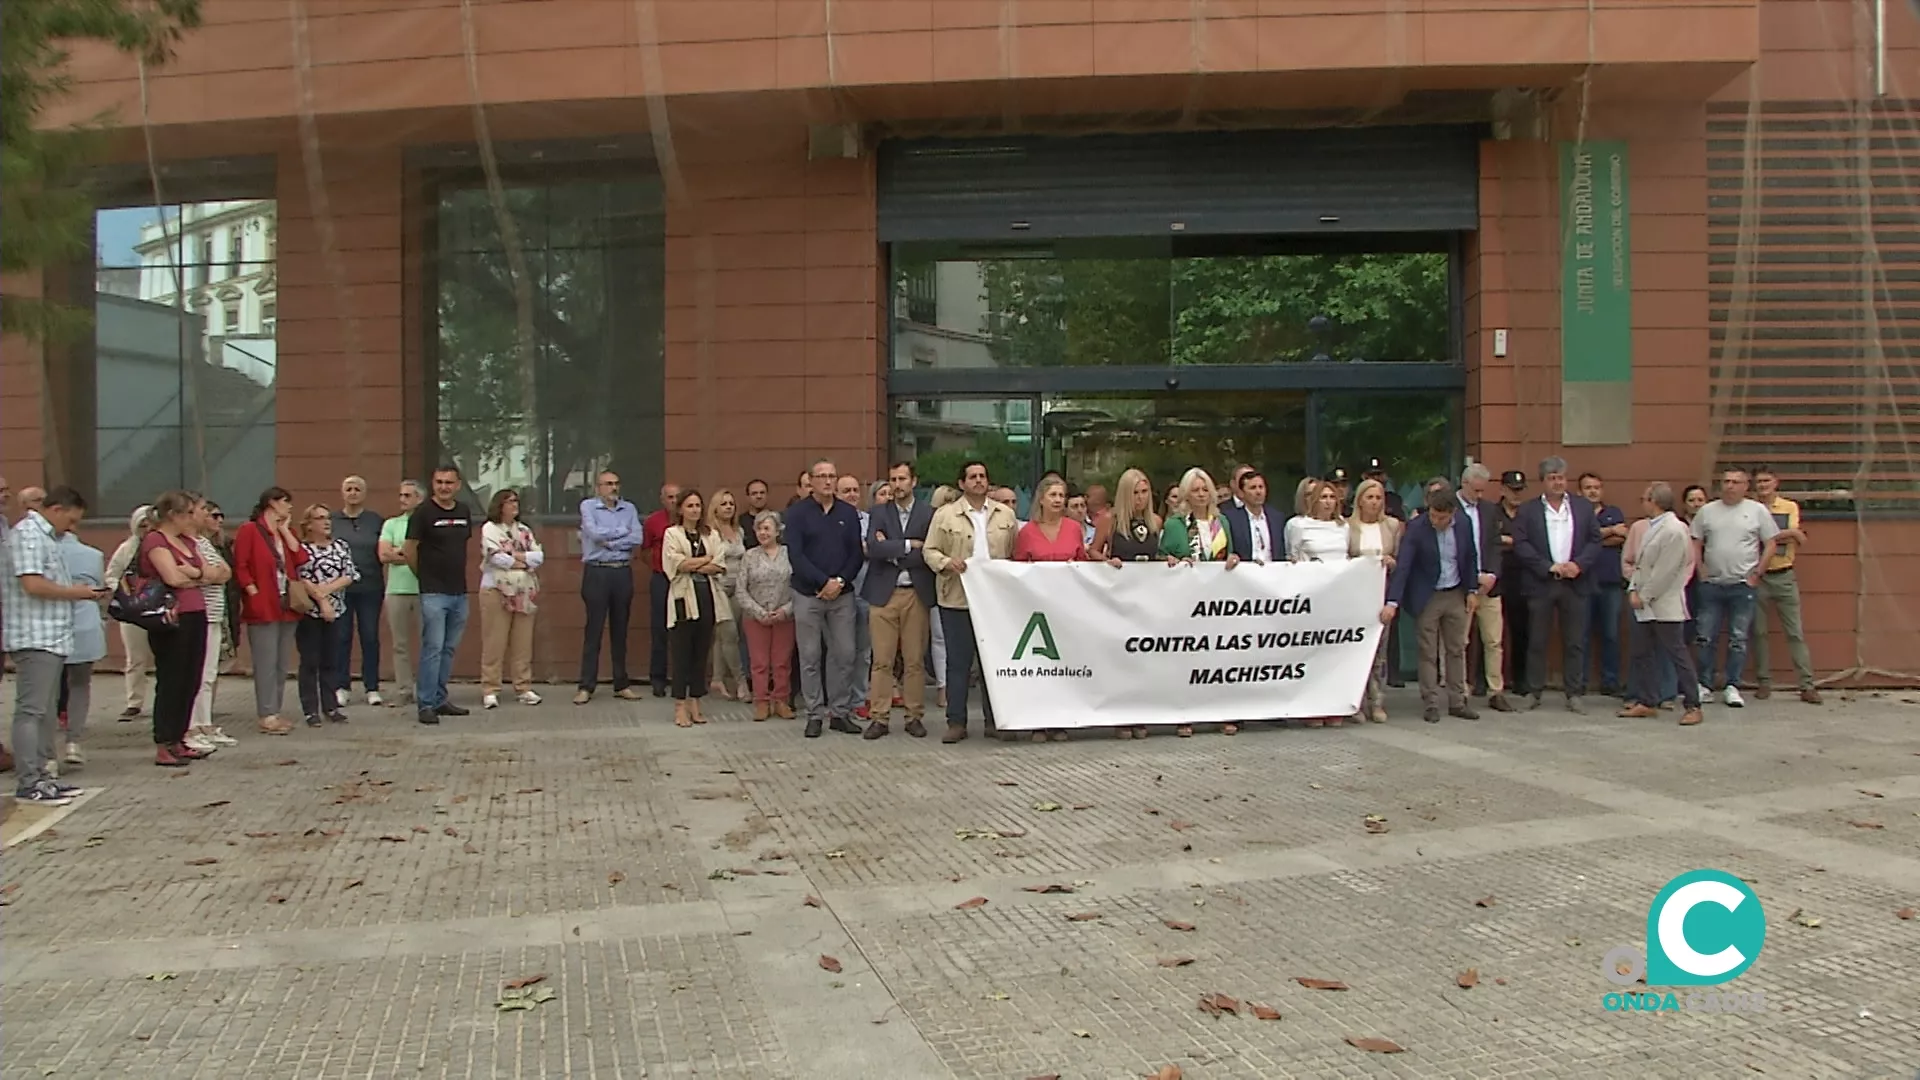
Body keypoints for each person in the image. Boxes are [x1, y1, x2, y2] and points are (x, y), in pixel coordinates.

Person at [7, 488, 97, 802]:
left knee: (45, 711)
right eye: (70, 520)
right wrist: (77, 592)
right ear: (56, 509)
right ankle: (29, 780)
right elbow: (32, 583)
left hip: (53, 635)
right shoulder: (29, 535)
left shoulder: (47, 537)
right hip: (35, 635)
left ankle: (44, 774)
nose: (71, 528)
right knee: (31, 710)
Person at [924, 461, 1017, 744]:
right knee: (958, 664)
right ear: (962, 483)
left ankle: (995, 721)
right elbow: (929, 550)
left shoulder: (1006, 515)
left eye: (982, 476)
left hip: (994, 601)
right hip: (956, 598)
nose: (978, 481)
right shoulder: (945, 515)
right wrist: (946, 562)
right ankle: (956, 722)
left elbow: (1014, 553)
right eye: (972, 477)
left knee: (994, 662)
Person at [1511, 456, 1603, 712]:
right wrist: (1547, 566)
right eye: (1552, 478)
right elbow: (1521, 544)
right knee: (1537, 640)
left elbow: (1595, 541)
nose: (1558, 482)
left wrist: (1579, 565)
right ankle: (1534, 691)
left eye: (1561, 477)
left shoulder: (1583, 507)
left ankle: (1574, 692)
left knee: (1574, 640)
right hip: (1543, 581)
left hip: (1575, 582)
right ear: (1542, 482)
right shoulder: (1528, 510)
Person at [1384, 485, 1480, 724]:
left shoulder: (1464, 524)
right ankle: (1431, 702)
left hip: (1455, 591)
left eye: (1442, 517)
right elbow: (1404, 565)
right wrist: (1393, 601)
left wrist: (1471, 589)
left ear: (1452, 513)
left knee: (1456, 648)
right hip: (1427, 595)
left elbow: (1470, 557)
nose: (1436, 521)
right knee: (1428, 651)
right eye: (1433, 515)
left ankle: (1458, 701)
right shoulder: (1417, 528)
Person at [785, 460, 865, 739]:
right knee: (810, 656)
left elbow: (856, 553)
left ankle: (840, 712)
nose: (828, 481)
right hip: (808, 594)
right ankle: (814, 714)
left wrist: (839, 581)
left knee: (844, 653)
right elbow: (795, 555)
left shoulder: (848, 513)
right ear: (812, 481)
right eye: (822, 476)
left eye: (832, 476)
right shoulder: (796, 514)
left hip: (842, 595)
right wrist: (823, 582)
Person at [1160, 467, 1240, 737]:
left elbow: (1229, 553)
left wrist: (1233, 559)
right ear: (1186, 494)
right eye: (1196, 489)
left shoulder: (1223, 522)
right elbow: (1162, 556)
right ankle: (1185, 714)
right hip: (1186, 601)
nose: (1202, 494)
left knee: (1218, 659)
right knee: (1188, 659)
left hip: (1217, 602)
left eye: (1205, 489)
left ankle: (1221, 713)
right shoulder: (1175, 524)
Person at [1689, 466, 1778, 708]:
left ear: (1745, 486)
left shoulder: (1757, 511)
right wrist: (1701, 570)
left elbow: (1770, 543)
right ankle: (1704, 685)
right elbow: (1695, 542)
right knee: (1705, 637)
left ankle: (1732, 685)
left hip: (1742, 585)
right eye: (1726, 481)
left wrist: (1758, 573)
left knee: (1738, 638)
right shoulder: (1707, 511)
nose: (1730, 486)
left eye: (1736, 482)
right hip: (1712, 585)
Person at [862, 461, 935, 740]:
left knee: (915, 659)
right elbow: (873, 548)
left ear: (913, 481)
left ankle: (914, 715)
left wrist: (891, 547)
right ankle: (879, 717)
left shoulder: (928, 514)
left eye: (902, 478)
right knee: (882, 659)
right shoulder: (878, 512)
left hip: (915, 593)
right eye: (893, 479)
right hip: (884, 593)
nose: (897, 484)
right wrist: (907, 545)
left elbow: (928, 551)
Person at [140, 491, 214, 765]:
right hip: (171, 617)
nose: (193, 519)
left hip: (196, 612)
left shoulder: (187, 541)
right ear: (174, 515)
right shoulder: (155, 540)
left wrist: (193, 573)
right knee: (172, 678)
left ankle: (179, 736)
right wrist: (196, 575)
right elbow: (171, 577)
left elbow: (214, 571)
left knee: (191, 678)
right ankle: (164, 740)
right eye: (189, 514)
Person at [1013, 476, 1086, 743]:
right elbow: (1017, 569)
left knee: (1064, 666)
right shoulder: (1027, 532)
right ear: (1041, 499)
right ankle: (1037, 721)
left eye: (1061, 495)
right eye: (1053, 495)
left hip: (1067, 608)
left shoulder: (1073, 528)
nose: (1058, 500)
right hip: (1037, 609)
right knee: (1040, 667)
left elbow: (1083, 566)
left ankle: (1061, 720)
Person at [1627, 483, 1706, 726]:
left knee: (1676, 653)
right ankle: (1647, 700)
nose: (1642, 502)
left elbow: (1665, 571)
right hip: (1646, 603)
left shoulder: (1673, 530)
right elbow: (1641, 565)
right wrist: (1633, 588)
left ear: (1654, 501)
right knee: (1642, 652)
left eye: (1644, 498)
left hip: (1664, 603)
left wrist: (1644, 595)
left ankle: (1693, 704)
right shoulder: (1654, 527)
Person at [405, 465, 476, 725]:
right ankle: (425, 704)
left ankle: (439, 699)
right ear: (433, 484)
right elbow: (409, 548)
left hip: (459, 591)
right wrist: (423, 577)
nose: (444, 487)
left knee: (448, 649)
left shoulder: (463, 511)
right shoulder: (422, 513)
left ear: (458, 485)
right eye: (439, 482)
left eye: (449, 482)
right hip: (433, 592)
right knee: (432, 648)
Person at [1092, 467, 1159, 741]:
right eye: (1135, 493)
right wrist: (1106, 561)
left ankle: (1141, 712)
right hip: (1118, 598)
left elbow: (1160, 552)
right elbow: (1093, 550)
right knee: (1120, 659)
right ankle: (1120, 715)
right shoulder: (1110, 520)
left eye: (1144, 492)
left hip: (1148, 599)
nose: (1140, 498)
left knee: (1143, 659)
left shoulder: (1155, 520)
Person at [233, 487, 306, 734]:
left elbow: (301, 557)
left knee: (281, 661)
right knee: (265, 661)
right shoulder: (250, 530)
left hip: (286, 603)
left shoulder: (284, 533)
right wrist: (252, 591)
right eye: (286, 502)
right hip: (263, 602)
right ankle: (266, 712)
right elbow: (241, 565)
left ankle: (275, 709)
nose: (289, 507)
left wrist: (285, 530)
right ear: (272, 503)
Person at [1749, 465, 1821, 704]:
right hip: (1757, 575)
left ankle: (1807, 685)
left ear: (1776, 483)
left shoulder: (1789, 506)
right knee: (1758, 633)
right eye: (1759, 482)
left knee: (1795, 632)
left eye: (1767, 481)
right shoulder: (1749, 508)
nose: (1763, 486)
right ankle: (1763, 682)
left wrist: (1775, 534)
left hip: (1784, 575)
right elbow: (1786, 535)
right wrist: (1788, 533)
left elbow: (1795, 537)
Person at [576, 470, 643, 704]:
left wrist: (610, 541)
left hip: (622, 572)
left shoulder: (630, 509)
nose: (613, 488)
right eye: (607, 484)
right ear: (598, 487)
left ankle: (621, 683)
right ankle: (586, 686)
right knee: (593, 629)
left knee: (620, 629)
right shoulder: (588, 506)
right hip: (597, 571)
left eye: (616, 483)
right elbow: (593, 534)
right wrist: (620, 534)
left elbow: (637, 538)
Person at [663, 489, 729, 727]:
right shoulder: (672, 534)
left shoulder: (710, 534)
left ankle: (696, 703)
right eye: (689, 506)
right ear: (681, 509)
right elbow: (676, 564)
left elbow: (719, 564)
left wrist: (694, 564)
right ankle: (680, 705)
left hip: (707, 597)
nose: (694, 510)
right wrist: (704, 560)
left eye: (698, 505)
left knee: (701, 655)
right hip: (683, 600)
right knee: (682, 654)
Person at [1457, 465, 1515, 712]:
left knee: (1493, 640)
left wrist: (1491, 574)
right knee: (1459, 641)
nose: (1480, 495)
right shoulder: (1451, 508)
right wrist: (1473, 576)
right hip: (1462, 587)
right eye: (1476, 490)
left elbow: (1494, 545)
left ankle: (1496, 690)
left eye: (1483, 490)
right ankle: (1460, 690)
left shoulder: (1490, 511)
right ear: (1465, 484)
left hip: (1489, 587)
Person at [479, 488, 544, 710]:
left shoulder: (524, 530)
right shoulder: (489, 529)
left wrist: (516, 557)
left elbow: (538, 556)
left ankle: (523, 687)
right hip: (496, 590)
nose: (514, 505)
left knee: (522, 642)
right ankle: (490, 689)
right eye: (509, 501)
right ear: (499, 505)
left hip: (523, 591)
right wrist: (522, 559)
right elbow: (496, 558)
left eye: (516, 501)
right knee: (494, 641)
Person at [1346, 478, 1404, 723]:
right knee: (1357, 651)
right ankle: (1356, 702)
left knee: (1380, 652)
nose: (1374, 502)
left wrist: (1392, 562)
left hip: (1381, 595)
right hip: (1356, 597)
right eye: (1369, 497)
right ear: (1360, 500)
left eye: (1379, 498)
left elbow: (1401, 561)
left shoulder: (1391, 526)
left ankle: (1377, 700)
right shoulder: (1347, 527)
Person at [295, 503, 357, 726]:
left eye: (327, 517)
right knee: (310, 660)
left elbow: (349, 574)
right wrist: (321, 601)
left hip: (337, 610)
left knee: (332, 660)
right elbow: (302, 577)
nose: (326, 522)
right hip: (310, 613)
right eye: (320, 518)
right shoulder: (303, 550)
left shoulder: (341, 546)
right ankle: (310, 710)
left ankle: (331, 706)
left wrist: (327, 592)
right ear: (309, 525)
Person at [183, 498, 237, 752]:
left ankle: (205, 723)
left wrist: (210, 574)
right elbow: (204, 573)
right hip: (199, 614)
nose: (210, 516)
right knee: (196, 673)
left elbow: (225, 572)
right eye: (205, 511)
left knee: (209, 675)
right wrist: (209, 574)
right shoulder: (187, 542)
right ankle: (190, 726)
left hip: (215, 615)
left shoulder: (205, 542)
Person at [56, 523, 110, 768]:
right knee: (79, 685)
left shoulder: (46, 552)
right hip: (85, 621)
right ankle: (73, 741)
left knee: (47, 689)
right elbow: (99, 589)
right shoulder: (93, 555)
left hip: (53, 622)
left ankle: (46, 749)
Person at [330, 475, 385, 707]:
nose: (352, 493)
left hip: (370, 586)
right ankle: (341, 685)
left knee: (370, 636)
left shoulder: (375, 520)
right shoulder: (332, 520)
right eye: (348, 489)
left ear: (364, 493)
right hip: (341, 588)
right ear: (342, 493)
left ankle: (371, 686)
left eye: (357, 489)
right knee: (341, 636)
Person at [737, 512, 796, 721]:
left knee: (781, 661)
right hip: (756, 617)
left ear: (778, 530)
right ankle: (761, 701)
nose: (763, 533)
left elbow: (798, 586)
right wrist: (759, 612)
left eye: (767, 528)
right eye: (759, 529)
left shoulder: (790, 554)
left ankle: (781, 700)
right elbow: (740, 590)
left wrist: (786, 610)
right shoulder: (749, 556)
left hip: (784, 616)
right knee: (759, 662)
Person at [1578, 472, 1629, 696]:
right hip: (1582, 583)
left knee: (1611, 634)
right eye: (1588, 487)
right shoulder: (1576, 514)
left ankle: (1610, 681)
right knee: (1581, 634)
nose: (1593, 491)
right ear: (1579, 492)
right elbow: (1577, 539)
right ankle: (1579, 681)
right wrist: (1608, 532)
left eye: (1597, 487)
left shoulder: (1614, 512)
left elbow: (1623, 537)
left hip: (1610, 583)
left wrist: (1592, 540)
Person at [106, 505, 156, 720]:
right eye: (142, 525)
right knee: (135, 657)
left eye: (150, 525)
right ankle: (134, 702)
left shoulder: (164, 547)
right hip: (133, 609)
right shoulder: (127, 548)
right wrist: (121, 590)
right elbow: (111, 574)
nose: (146, 530)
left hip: (160, 607)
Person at [378, 480, 423, 707]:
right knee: (400, 644)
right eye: (401, 495)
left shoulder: (426, 523)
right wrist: (408, 553)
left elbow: (428, 556)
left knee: (430, 643)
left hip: (425, 590)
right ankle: (404, 689)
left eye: (408, 495)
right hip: (397, 590)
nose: (402, 499)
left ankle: (427, 690)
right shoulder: (392, 524)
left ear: (419, 498)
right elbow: (384, 555)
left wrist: (402, 552)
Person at [706, 488, 749, 701]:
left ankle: (717, 679)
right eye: (723, 504)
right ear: (715, 507)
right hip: (719, 586)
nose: (729, 507)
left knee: (724, 637)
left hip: (738, 586)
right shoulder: (709, 533)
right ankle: (741, 682)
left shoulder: (738, 531)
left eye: (731, 503)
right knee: (729, 633)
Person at [641, 482, 680, 696]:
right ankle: (658, 677)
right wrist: (659, 566)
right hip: (661, 579)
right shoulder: (653, 522)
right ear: (662, 499)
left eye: (677, 497)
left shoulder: (688, 520)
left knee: (682, 629)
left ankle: (681, 677)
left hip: (683, 579)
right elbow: (645, 551)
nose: (674, 501)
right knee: (659, 628)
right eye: (670, 497)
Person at [1223, 469, 1286, 565]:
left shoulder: (1277, 518)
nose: (1258, 492)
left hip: (1273, 573)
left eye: (1261, 487)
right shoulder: (1231, 519)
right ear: (1241, 493)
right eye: (1253, 488)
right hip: (1245, 575)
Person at [1285, 479, 1347, 562]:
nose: (1328, 502)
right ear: (1315, 500)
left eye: (1332, 497)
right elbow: (1293, 556)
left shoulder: (1343, 525)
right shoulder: (1299, 525)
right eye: (1323, 497)